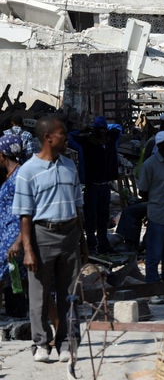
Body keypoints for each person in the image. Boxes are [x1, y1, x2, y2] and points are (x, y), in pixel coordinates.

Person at [13, 115, 84, 363]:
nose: (66, 137)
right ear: (48, 137)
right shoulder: (28, 172)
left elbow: (78, 206)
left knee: (70, 294)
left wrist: (81, 243)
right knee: (39, 295)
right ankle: (41, 343)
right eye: (62, 133)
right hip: (42, 234)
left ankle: (66, 343)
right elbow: (24, 215)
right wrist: (28, 250)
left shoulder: (69, 165)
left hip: (69, 235)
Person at [137, 131, 164, 295]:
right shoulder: (150, 165)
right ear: (161, 145)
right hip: (157, 214)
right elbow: (143, 191)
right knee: (154, 254)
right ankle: (153, 288)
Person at [70, 115, 119, 255]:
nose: (103, 132)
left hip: (104, 186)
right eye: (100, 129)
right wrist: (83, 129)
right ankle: (92, 243)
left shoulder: (110, 141)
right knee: (91, 217)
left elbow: (117, 129)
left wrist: (105, 127)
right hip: (92, 185)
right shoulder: (86, 142)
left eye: (104, 129)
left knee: (103, 216)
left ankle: (102, 243)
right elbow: (70, 136)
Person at [0, 135, 27, 317]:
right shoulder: (9, 176)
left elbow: (27, 211)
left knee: (4, 275)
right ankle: (16, 312)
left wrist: (19, 240)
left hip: (14, 235)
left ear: (3, 155)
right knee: (13, 277)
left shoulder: (20, 177)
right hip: (6, 232)